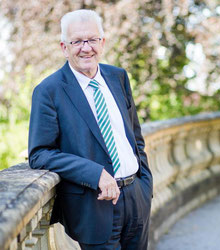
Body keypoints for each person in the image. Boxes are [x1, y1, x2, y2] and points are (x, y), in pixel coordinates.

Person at [28, 9, 153, 250]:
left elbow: (135, 138)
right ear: (64, 47)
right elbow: (39, 153)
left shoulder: (118, 77)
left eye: (92, 40)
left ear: (102, 42)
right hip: (95, 208)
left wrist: (145, 185)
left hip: (137, 199)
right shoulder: (49, 91)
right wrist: (94, 173)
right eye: (77, 41)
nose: (86, 48)